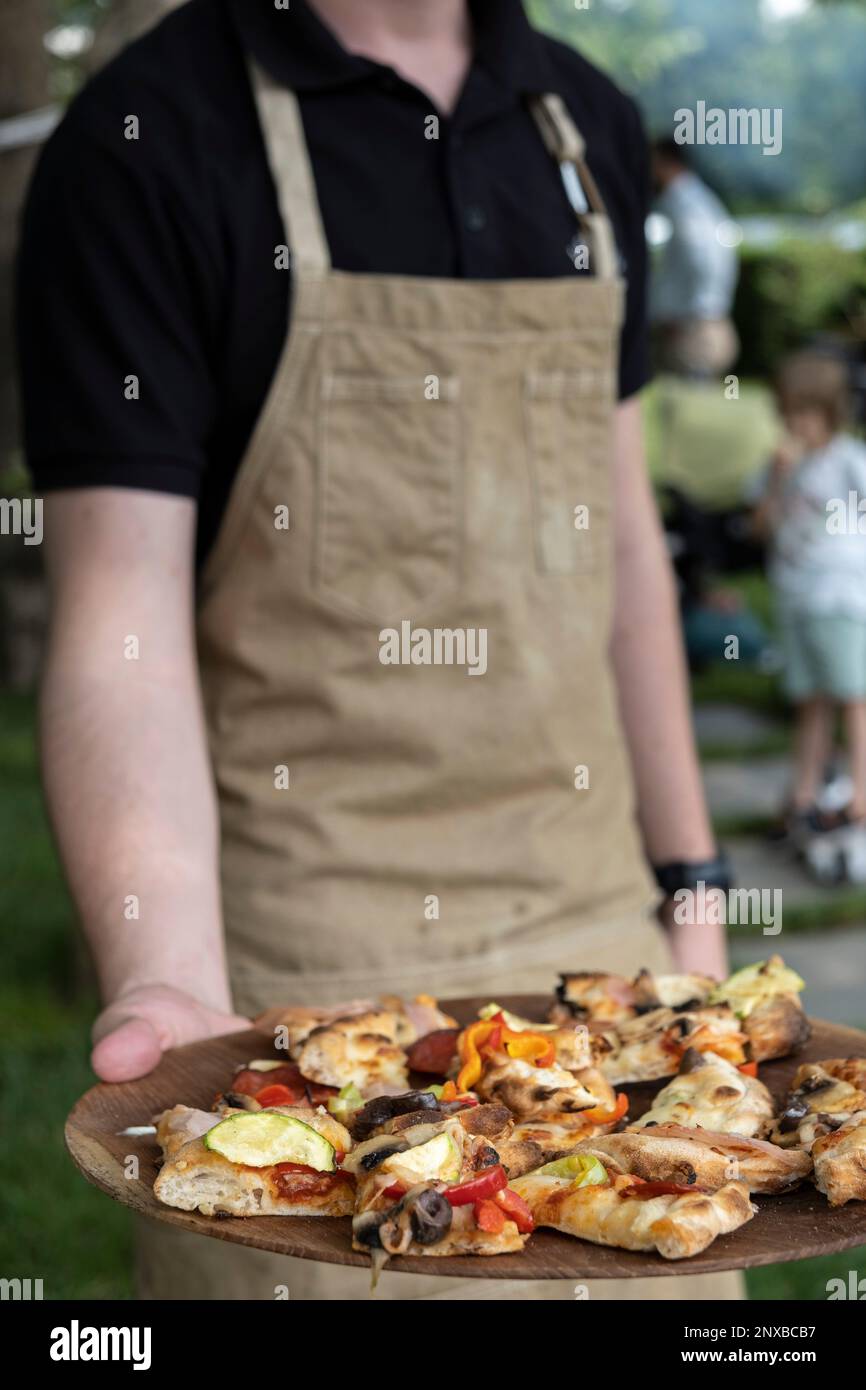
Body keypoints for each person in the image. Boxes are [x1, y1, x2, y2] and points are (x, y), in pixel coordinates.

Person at [18, 0, 737, 1300]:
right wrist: (170, 977)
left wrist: (691, 889)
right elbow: (118, 618)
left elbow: (622, 547)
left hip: (605, 971)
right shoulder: (147, 137)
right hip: (295, 995)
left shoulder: (586, 127)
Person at [752, 352, 866, 874]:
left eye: (808, 413)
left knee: (853, 696)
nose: (798, 424)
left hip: (838, 594)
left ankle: (859, 795)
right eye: (790, 413)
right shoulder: (784, 466)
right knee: (810, 701)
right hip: (795, 596)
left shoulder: (848, 462)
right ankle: (803, 792)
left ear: (831, 412)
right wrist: (777, 481)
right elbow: (758, 527)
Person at [650, 138, 739, 379]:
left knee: (689, 407)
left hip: (695, 329)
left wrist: (686, 315)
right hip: (698, 324)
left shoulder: (686, 204)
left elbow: (706, 263)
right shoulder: (691, 200)